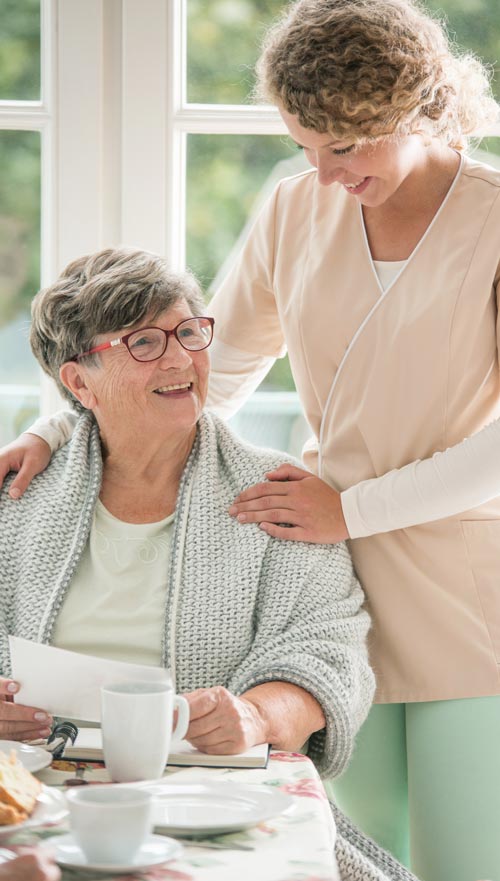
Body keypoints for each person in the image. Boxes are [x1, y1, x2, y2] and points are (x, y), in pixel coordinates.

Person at [1, 2, 499, 879]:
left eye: (346, 147)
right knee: (349, 845)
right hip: (331, 580)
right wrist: (59, 423)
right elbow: (205, 364)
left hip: (464, 584)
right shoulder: (294, 206)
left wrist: (352, 509)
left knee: (471, 859)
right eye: (306, 144)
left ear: (416, 110)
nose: (325, 170)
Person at [0, 247, 418, 881]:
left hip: (213, 796)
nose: (179, 358)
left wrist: (255, 715)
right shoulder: (20, 494)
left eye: (188, 332)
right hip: (34, 789)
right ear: (79, 381)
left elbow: (328, 651)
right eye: (143, 342)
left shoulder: (277, 494)